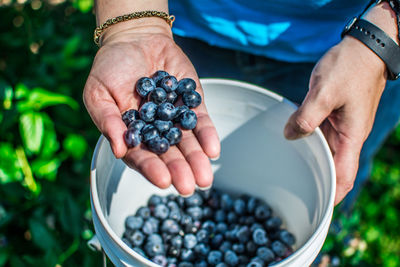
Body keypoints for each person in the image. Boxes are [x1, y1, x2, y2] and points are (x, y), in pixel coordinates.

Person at [83, 0, 400, 209]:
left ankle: (330, 243)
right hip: (176, 25)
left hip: (357, 51)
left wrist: (381, 40)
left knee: (332, 176)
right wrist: (132, 23)